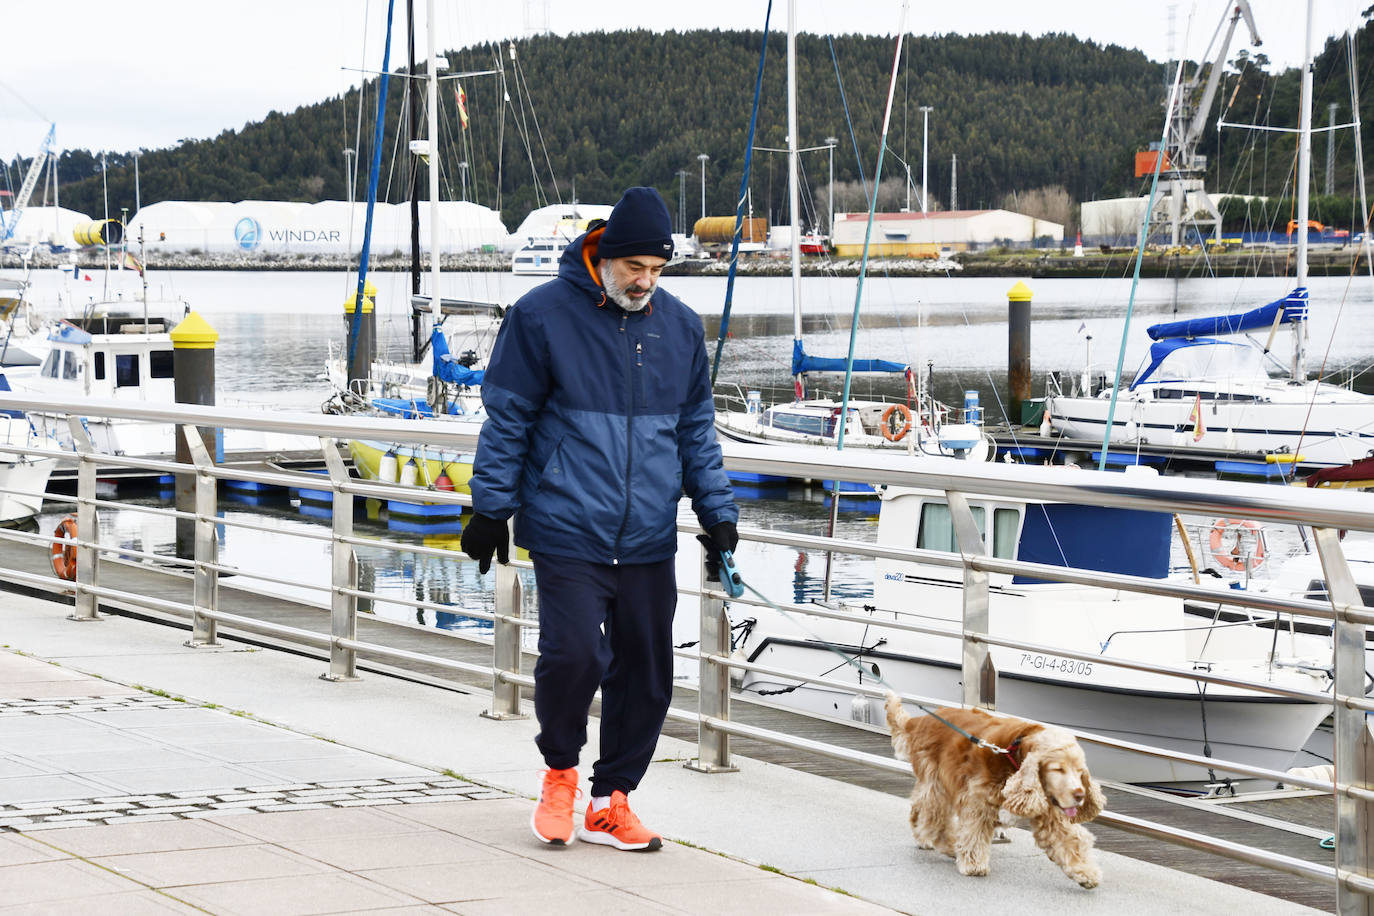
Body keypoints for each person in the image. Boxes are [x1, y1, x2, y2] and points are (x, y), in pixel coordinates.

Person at [461, 186, 739, 852]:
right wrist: (490, 508)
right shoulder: (541, 316)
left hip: (648, 534)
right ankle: (560, 773)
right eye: (635, 267)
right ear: (604, 256)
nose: (645, 282)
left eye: (657, 269)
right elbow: (508, 421)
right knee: (573, 655)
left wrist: (717, 512)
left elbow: (695, 432)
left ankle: (611, 801)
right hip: (567, 525)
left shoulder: (680, 328)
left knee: (647, 672)